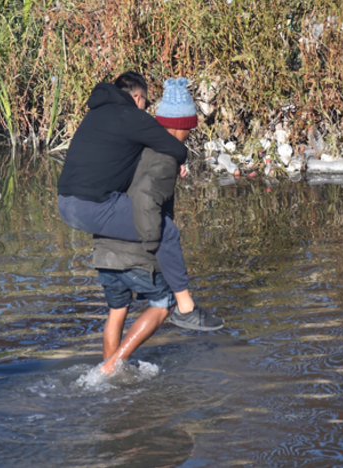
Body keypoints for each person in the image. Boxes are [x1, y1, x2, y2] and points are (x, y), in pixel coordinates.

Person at [57, 72, 221, 330]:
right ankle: (186, 308)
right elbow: (175, 147)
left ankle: (108, 369)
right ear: (137, 97)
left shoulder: (96, 115)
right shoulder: (131, 115)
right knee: (167, 232)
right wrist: (151, 239)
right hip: (92, 206)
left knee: (117, 310)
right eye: (146, 102)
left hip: (66, 203)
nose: (146, 109)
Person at [95, 78, 224, 374]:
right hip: (135, 250)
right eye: (190, 126)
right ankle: (111, 367)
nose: (191, 132)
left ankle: (109, 382)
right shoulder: (165, 158)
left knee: (117, 311)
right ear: (181, 126)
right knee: (165, 302)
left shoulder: (133, 147)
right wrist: (152, 243)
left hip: (104, 248)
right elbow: (144, 199)